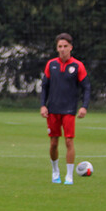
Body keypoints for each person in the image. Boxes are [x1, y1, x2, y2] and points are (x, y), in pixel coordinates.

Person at [39, 32, 90, 185]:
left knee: (69, 141)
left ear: (71, 48)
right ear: (57, 48)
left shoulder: (77, 65)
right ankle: (55, 172)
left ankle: (69, 176)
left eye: (65, 46)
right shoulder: (51, 64)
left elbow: (86, 87)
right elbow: (44, 86)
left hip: (69, 110)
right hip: (53, 110)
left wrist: (84, 107)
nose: (62, 49)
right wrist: (43, 105)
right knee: (53, 143)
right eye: (59, 46)